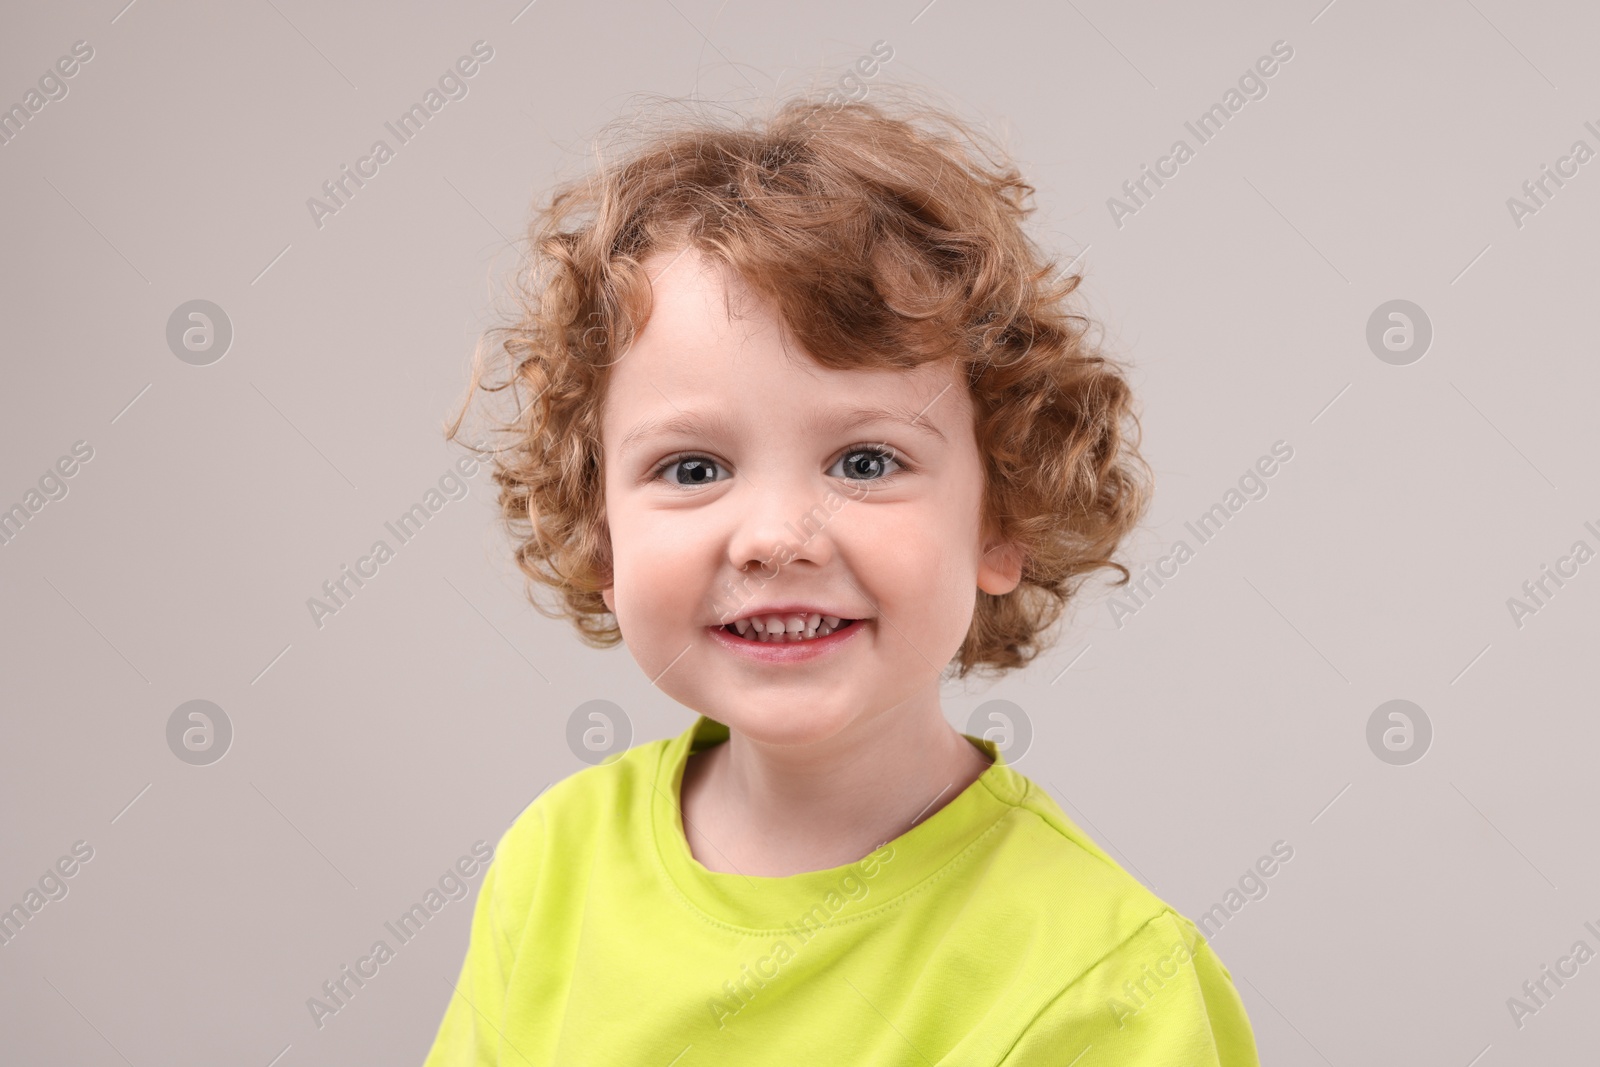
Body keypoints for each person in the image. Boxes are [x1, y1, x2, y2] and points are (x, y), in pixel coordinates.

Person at [424, 86, 1261, 1065]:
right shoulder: (553, 864)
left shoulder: (1104, 980)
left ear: (1003, 517)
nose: (778, 536)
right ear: (602, 533)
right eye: (691, 468)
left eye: (865, 461)